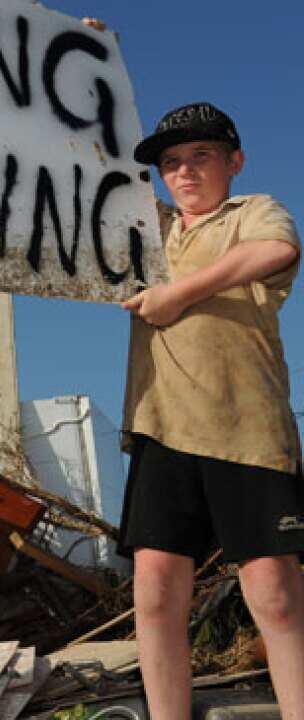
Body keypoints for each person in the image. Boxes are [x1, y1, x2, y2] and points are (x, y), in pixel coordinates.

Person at [118, 101, 304, 719]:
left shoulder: (253, 213)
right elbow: (87, 170)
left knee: (274, 594)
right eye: (171, 163)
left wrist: (177, 295)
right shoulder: (148, 229)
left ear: (234, 162)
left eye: (200, 156)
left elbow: (276, 250)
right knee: (154, 594)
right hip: (162, 426)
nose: (185, 172)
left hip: (247, 430)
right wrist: (87, 61)